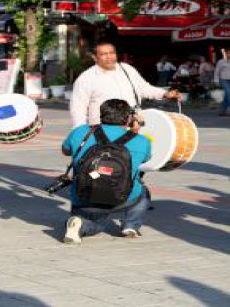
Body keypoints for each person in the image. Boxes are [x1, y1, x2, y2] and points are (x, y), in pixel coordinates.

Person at [63, 99, 152, 243]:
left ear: (101, 114)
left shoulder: (81, 132)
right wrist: (135, 131)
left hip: (83, 196)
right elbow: (145, 159)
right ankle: (130, 225)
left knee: (95, 225)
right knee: (143, 192)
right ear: (128, 117)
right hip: (123, 198)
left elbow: (66, 151)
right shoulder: (141, 140)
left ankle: (78, 224)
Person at [70, 41, 181, 128]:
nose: (109, 57)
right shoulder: (86, 78)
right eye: (104, 54)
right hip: (103, 130)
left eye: (112, 53)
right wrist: (79, 131)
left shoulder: (127, 69)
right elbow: (78, 108)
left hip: (133, 124)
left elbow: (143, 88)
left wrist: (165, 94)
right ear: (95, 57)